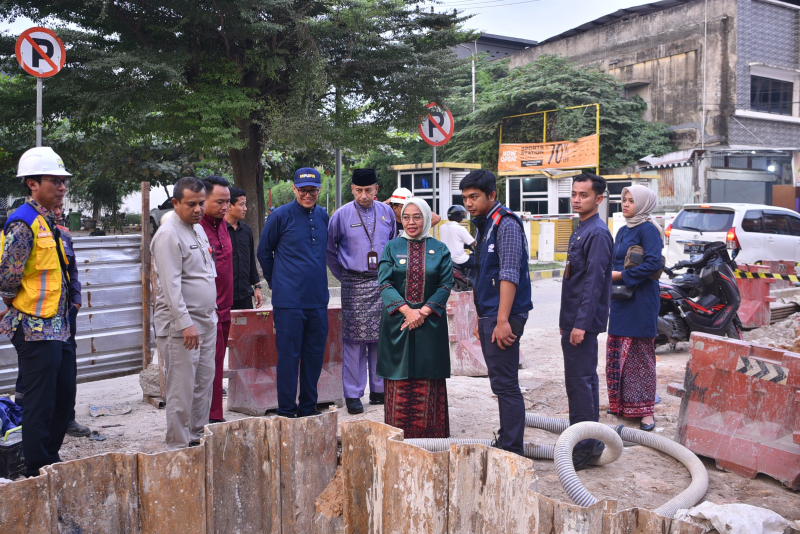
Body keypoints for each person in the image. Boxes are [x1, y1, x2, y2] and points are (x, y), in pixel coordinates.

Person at [0, 147, 77, 476]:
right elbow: (7, 278)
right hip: (33, 327)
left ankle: (50, 457)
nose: (61, 187)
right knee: (39, 403)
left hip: (59, 327)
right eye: (54, 181)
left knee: (64, 397)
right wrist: (18, 307)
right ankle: (37, 469)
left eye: (63, 181)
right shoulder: (23, 223)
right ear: (32, 183)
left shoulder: (51, 222)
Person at [460, 169, 532, 456]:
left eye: (474, 197)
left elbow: (509, 274)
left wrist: (502, 321)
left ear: (492, 195)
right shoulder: (485, 224)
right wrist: (482, 320)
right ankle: (507, 440)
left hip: (505, 315)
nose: (468, 203)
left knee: (506, 384)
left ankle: (512, 449)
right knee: (500, 382)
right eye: (465, 198)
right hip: (491, 314)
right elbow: (481, 276)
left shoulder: (506, 224)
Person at [13, 201, 92, 439]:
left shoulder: (63, 234)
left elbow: (72, 272)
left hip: (65, 316)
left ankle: (66, 419)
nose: (58, 212)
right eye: (54, 208)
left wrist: (76, 303)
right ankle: (23, 420)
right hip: (36, 320)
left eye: (60, 209)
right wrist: (12, 304)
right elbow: (10, 277)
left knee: (66, 374)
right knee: (36, 379)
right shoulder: (21, 230)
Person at [377, 198, 453, 437]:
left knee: (428, 372)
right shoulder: (392, 247)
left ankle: (431, 435)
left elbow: (445, 284)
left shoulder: (440, 249)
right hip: (398, 323)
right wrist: (407, 311)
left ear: (427, 218)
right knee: (398, 374)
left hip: (430, 323)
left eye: (417, 217)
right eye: (407, 217)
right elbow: (384, 282)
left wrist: (423, 311)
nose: (411, 222)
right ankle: (398, 434)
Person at [151, 177, 217, 449]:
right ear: (175, 203)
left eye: (202, 203)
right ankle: (177, 448)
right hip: (182, 327)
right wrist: (185, 324)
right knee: (181, 389)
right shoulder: (168, 235)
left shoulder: (198, 230)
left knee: (204, 384)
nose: (199, 209)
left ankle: (195, 439)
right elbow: (170, 287)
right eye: (191, 204)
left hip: (205, 321)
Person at [257, 168, 330, 418]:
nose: (307, 195)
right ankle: (287, 409)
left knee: (314, 355)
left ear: (319, 189)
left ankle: (308, 407)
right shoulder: (280, 216)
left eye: (312, 190)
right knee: (289, 356)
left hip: (318, 299)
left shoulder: (322, 215)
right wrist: (276, 282)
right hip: (288, 301)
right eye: (302, 190)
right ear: (294, 189)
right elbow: (264, 252)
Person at [326, 169, 395, 414]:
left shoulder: (387, 213)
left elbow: (394, 244)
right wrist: (345, 275)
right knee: (354, 341)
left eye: (368, 190)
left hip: (382, 284)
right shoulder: (341, 215)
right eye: (358, 190)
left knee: (380, 338)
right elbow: (330, 250)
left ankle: (379, 389)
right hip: (353, 284)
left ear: (376, 189)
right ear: (352, 190)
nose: (363, 195)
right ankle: (353, 393)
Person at [559, 173, 613, 470]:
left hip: (582, 324)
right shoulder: (582, 228)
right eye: (575, 194)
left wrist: (580, 324)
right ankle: (584, 439)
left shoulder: (598, 233)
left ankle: (586, 446)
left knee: (581, 382)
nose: (577, 199)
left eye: (584, 195)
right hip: (572, 320)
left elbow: (593, 283)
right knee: (580, 380)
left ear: (599, 199)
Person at [607, 185, 664, 431]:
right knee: (619, 353)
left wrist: (620, 275)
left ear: (643, 205)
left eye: (631, 200)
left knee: (640, 357)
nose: (626, 204)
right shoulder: (622, 230)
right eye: (624, 199)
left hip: (641, 300)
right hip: (620, 299)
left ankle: (646, 413)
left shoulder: (648, 230)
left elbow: (653, 263)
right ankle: (622, 405)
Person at [199, 176, 232, 424]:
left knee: (218, 363)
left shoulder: (223, 225)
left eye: (228, 202)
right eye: (219, 202)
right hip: (205, 311)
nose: (225, 207)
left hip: (225, 308)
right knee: (205, 367)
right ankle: (204, 417)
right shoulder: (197, 227)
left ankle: (215, 414)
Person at [226, 187, 263, 310]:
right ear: (229, 206)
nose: (245, 208)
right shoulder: (218, 231)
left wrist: (257, 287)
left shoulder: (247, 231)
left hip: (245, 294)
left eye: (245, 204)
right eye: (241, 204)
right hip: (224, 297)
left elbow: (251, 260)